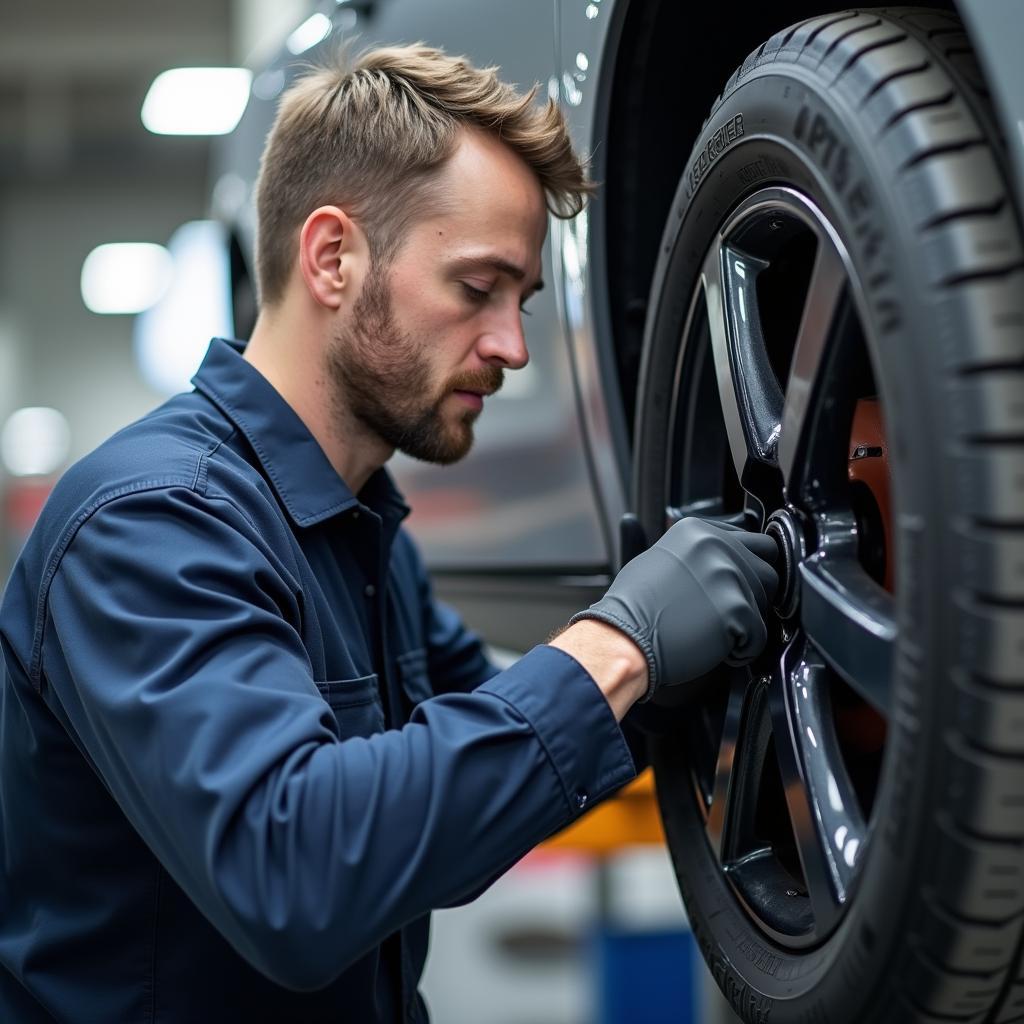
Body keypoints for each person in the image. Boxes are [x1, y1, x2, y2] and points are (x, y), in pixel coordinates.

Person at [0, 44, 778, 1022]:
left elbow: (490, 759)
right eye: (475, 287)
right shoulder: (151, 522)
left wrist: (691, 658)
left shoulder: (360, 530)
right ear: (332, 256)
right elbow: (300, 877)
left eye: (521, 300)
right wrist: (617, 641)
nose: (512, 346)